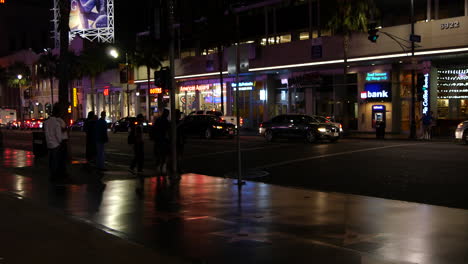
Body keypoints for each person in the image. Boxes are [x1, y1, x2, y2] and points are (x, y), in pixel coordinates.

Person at [44, 105, 69, 183]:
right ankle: (56, 176)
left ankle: (52, 175)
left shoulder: (46, 122)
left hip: (49, 144)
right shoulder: (57, 123)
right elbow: (58, 135)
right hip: (56, 144)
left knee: (51, 161)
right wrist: (60, 142)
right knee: (57, 161)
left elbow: (46, 134)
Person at [152, 109, 170, 175]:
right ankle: (162, 168)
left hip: (158, 140)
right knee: (164, 155)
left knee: (158, 155)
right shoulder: (166, 121)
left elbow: (154, 129)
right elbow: (168, 131)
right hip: (163, 140)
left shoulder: (158, 120)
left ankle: (158, 168)